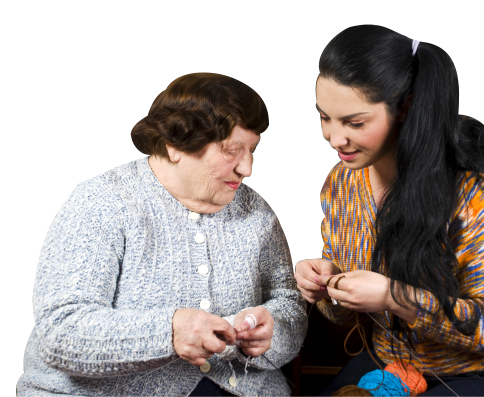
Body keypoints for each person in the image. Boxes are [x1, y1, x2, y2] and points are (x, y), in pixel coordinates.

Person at [294, 25, 484, 397]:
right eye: (323, 117)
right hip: (396, 365)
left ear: (405, 107)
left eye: (355, 123)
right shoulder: (341, 184)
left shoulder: (471, 190)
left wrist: (394, 297)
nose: (334, 138)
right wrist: (327, 286)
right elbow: (343, 315)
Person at [18, 72, 307, 397]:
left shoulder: (257, 211)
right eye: (231, 150)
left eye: (252, 150)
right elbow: (60, 332)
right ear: (173, 145)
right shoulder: (101, 203)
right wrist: (168, 332)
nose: (247, 168)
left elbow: (288, 303)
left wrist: (274, 331)